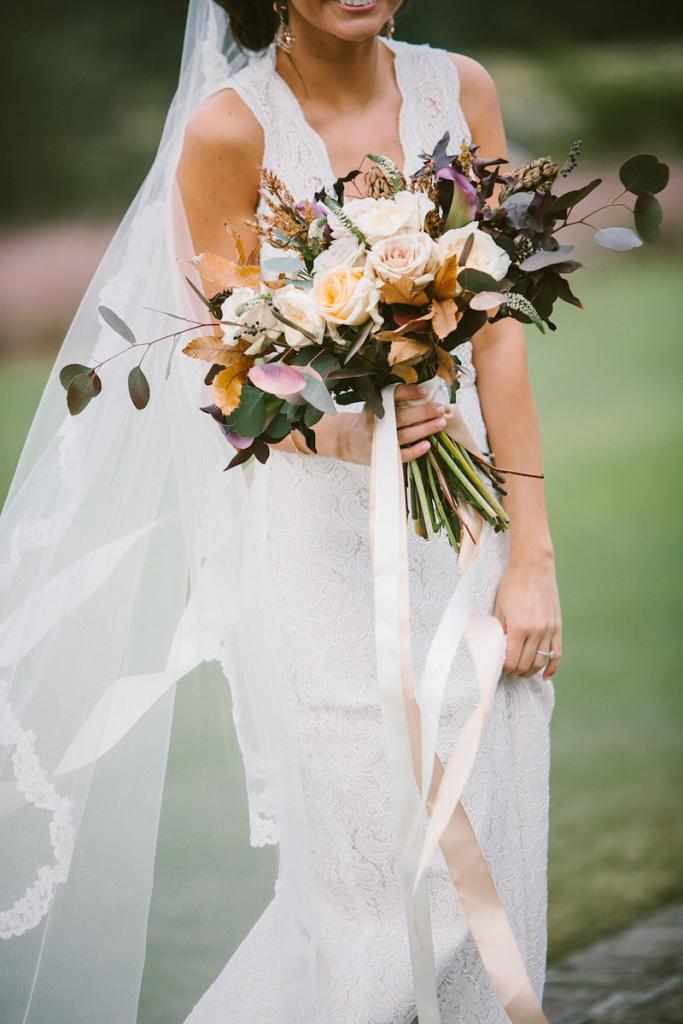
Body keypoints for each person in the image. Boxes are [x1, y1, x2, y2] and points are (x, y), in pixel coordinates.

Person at [0, 2, 560, 1022]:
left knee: (500, 844)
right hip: (321, 545)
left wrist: (533, 557)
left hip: (464, 527)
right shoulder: (229, 130)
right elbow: (224, 376)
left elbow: (497, 336)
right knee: (375, 898)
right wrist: (346, 431)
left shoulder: (460, 89)